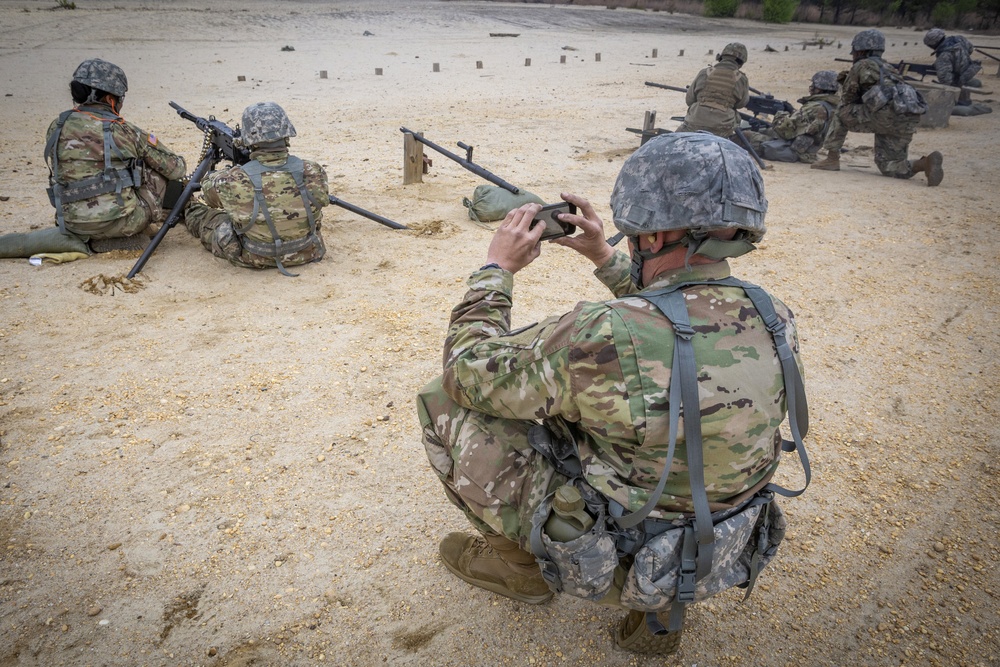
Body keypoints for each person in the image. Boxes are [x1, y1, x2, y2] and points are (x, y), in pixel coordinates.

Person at [417, 133, 808, 655]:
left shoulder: (601, 334)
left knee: (438, 402)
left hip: (620, 540)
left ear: (651, 235)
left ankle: (518, 568)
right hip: (721, 538)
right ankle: (662, 617)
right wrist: (603, 255)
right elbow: (672, 321)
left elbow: (465, 371)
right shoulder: (772, 314)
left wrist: (497, 271)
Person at [0, 58, 186, 260]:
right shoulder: (122, 129)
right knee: (153, 171)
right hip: (123, 222)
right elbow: (176, 168)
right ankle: (123, 234)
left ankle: (90, 237)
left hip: (71, 222)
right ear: (109, 99)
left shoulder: (57, 126)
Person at [183, 102, 328, 276]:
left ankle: (187, 211)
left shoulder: (232, 180)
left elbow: (210, 198)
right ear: (287, 135)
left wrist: (232, 171)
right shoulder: (313, 170)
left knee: (205, 216)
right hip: (308, 251)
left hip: (253, 256)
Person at [811, 29, 944, 186]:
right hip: (906, 120)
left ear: (860, 50)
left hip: (884, 116)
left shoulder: (861, 66)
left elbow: (847, 99)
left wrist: (844, 82)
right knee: (889, 166)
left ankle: (832, 159)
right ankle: (924, 164)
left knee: (839, 111)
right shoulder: (890, 69)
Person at [743, 71, 840, 164]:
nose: (811, 88)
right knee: (762, 129)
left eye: (814, 85)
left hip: (791, 150)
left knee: (744, 135)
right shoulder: (831, 106)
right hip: (807, 148)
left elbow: (784, 130)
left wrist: (779, 112)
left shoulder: (814, 107)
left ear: (820, 88)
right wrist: (792, 112)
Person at [675, 43, 750, 139]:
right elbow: (741, 104)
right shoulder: (742, 79)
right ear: (741, 62)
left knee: (675, 139)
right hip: (722, 127)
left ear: (721, 57)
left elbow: (689, 100)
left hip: (694, 122)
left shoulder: (704, 72)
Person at [923, 28, 991, 115]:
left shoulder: (944, 56)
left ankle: (966, 105)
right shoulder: (960, 39)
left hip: (958, 81)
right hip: (968, 71)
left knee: (949, 107)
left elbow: (946, 81)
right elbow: (970, 49)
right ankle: (965, 101)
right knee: (972, 83)